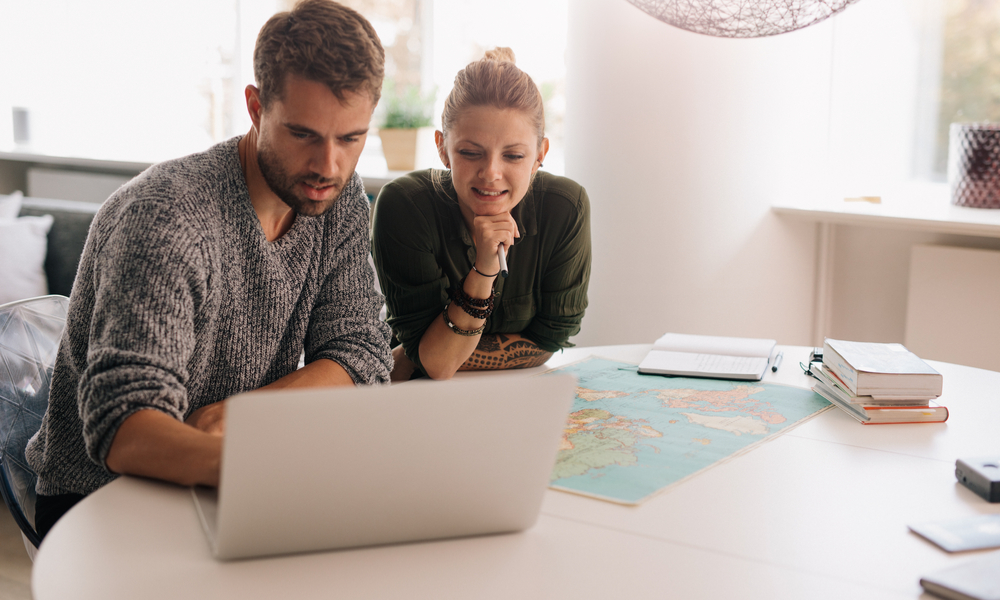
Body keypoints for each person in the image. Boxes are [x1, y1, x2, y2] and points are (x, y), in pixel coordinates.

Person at [25, 0, 392, 539]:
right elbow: (123, 427)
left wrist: (240, 416)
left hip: (224, 479)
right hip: (101, 505)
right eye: (304, 134)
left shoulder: (337, 199)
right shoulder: (169, 220)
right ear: (254, 106)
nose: (328, 166)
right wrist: (264, 473)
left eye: (350, 139)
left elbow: (360, 353)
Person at [371, 48, 591, 381]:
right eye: (471, 153)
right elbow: (437, 365)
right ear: (443, 148)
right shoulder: (404, 206)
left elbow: (553, 337)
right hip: (418, 402)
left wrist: (426, 354)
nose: (490, 173)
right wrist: (484, 271)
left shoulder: (565, 207)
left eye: (514, 156)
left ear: (539, 155)